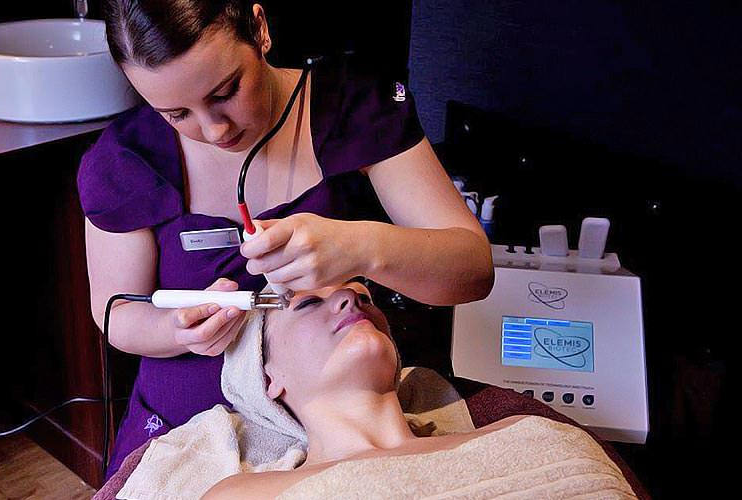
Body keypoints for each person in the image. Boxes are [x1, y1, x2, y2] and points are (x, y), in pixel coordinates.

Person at [77, 0, 493, 478]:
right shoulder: (126, 160)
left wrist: (363, 247)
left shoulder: (354, 106)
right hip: (183, 430)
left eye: (226, 91)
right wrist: (174, 331)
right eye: (175, 114)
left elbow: (473, 270)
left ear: (259, 28)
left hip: (341, 421)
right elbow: (115, 312)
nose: (214, 130)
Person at [203, 281, 636, 498]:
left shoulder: (531, 435)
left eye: (364, 297)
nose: (353, 301)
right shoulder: (244, 494)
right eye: (308, 303)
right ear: (265, 380)